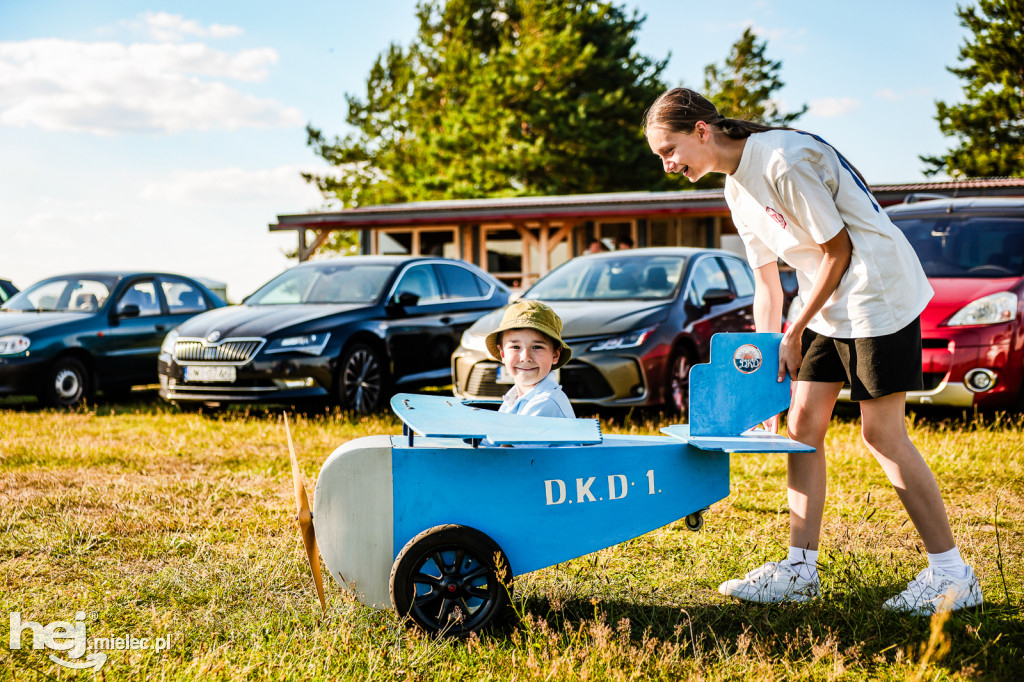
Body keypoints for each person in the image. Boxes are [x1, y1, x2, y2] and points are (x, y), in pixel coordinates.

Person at [643, 87, 981, 615]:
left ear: (701, 131)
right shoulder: (736, 187)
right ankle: (800, 568)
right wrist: (763, 373)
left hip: (876, 293)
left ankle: (953, 576)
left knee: (881, 434)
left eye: (669, 151)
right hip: (824, 301)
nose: (667, 165)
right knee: (802, 430)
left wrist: (794, 330)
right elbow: (767, 286)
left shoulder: (782, 159)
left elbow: (838, 250)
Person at [485, 300, 574, 418]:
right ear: (503, 354)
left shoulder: (545, 404)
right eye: (515, 347)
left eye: (537, 347)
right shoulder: (514, 397)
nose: (525, 357)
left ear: (555, 355)